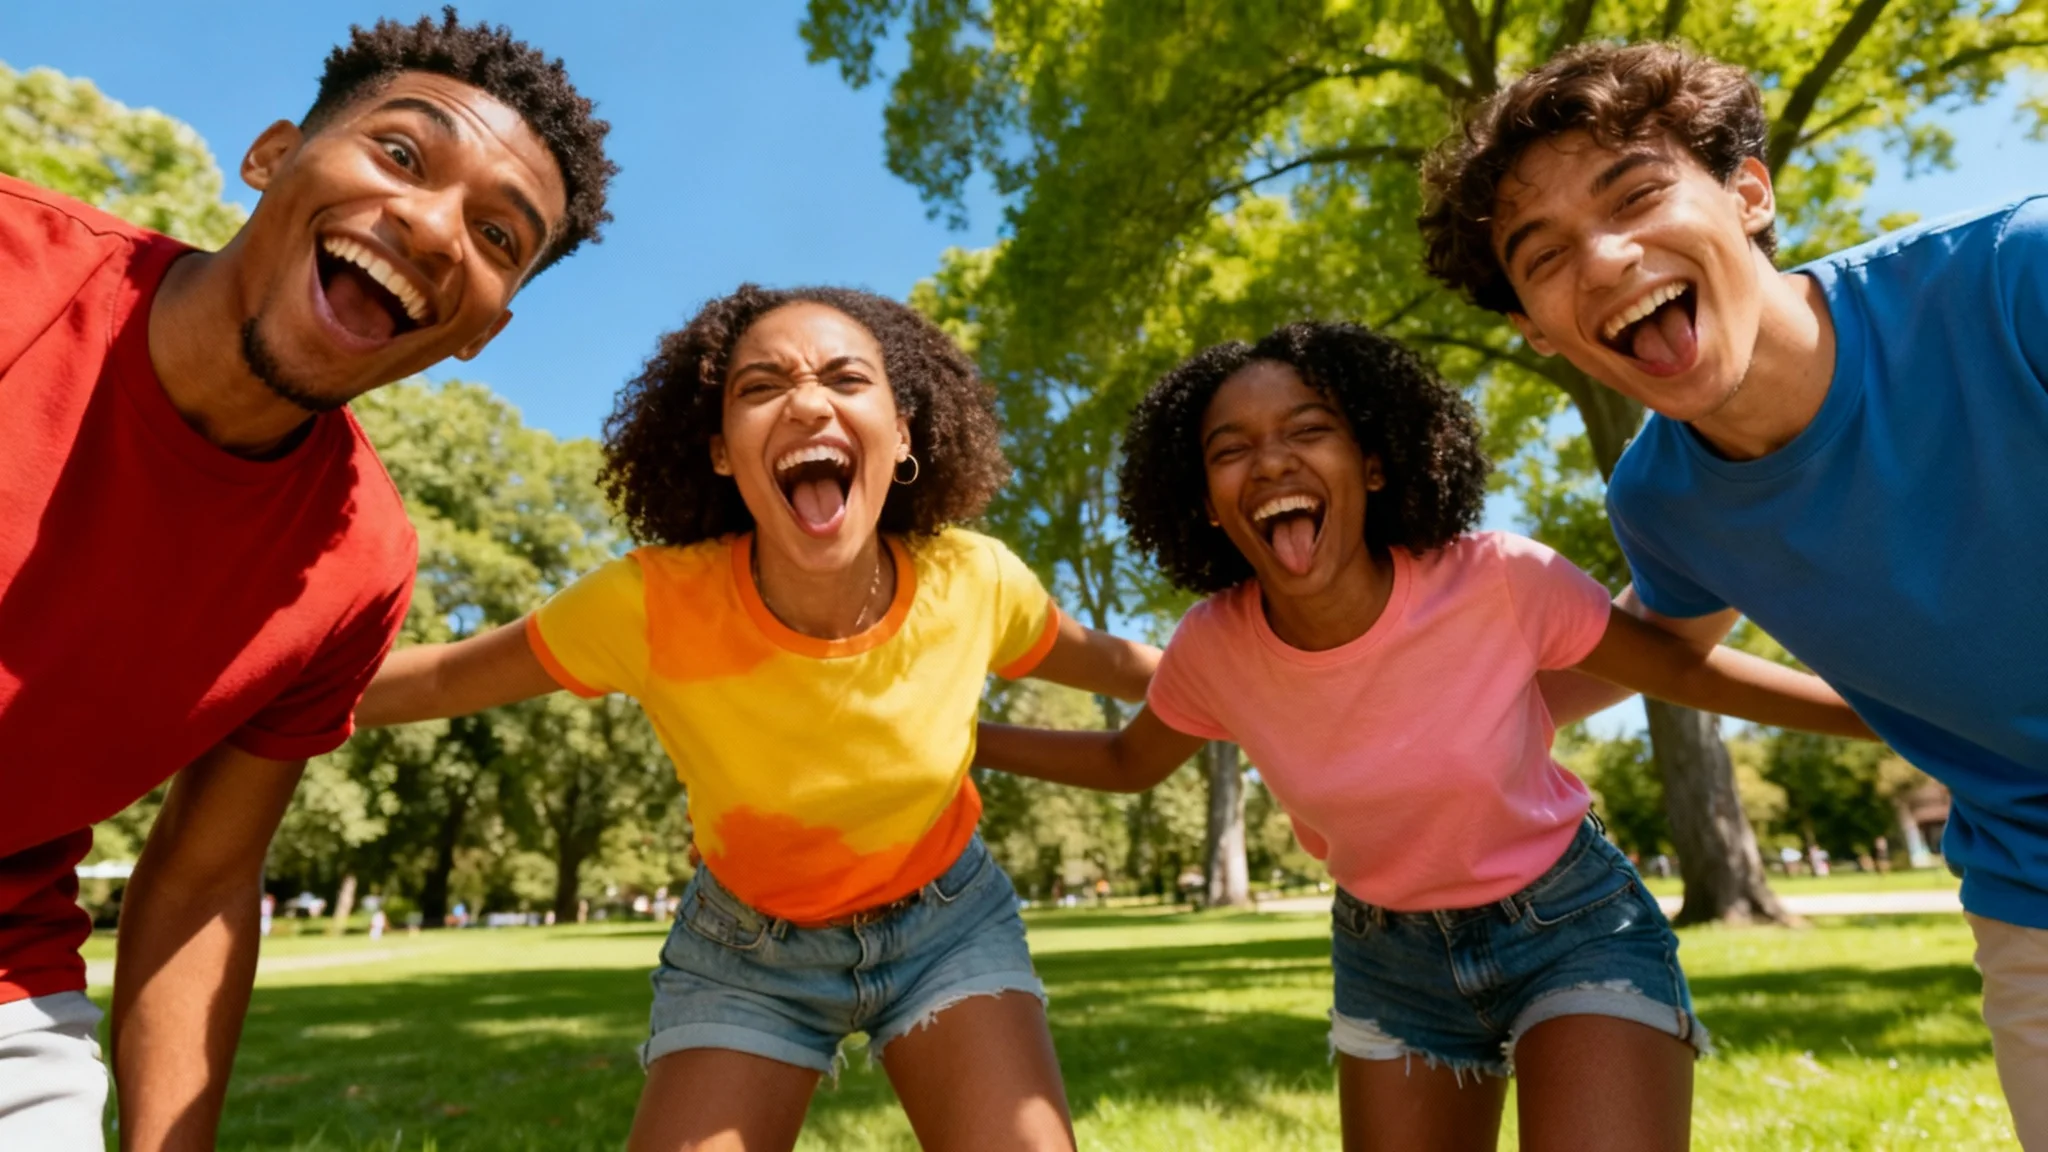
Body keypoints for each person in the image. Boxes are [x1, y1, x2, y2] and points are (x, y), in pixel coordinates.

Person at [975, 321, 1873, 1152]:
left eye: (1307, 430)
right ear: (1206, 504)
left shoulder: (1499, 582)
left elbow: (1681, 670)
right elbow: (1127, 762)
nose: (1271, 461)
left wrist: (1887, 717)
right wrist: (961, 741)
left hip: (1571, 924)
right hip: (1388, 959)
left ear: (1372, 463)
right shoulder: (1216, 646)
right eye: (1231, 449)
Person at [0, 11, 615, 1150]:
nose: (435, 230)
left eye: (497, 236)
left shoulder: (359, 563)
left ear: (484, 329)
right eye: (400, 154)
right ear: (273, 155)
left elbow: (199, 883)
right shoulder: (16, 264)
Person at [1415, 40, 2048, 1145]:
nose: (1605, 258)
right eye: (1543, 255)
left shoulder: (2013, 281)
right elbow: (1655, 644)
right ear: (1531, 326)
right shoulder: (1660, 502)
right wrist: (1406, 708)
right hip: (2030, 893)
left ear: (1747, 191)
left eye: (1637, 194)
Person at [357, 285, 1158, 1152]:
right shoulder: (647, 605)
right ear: (722, 455)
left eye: (846, 378)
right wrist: (231, 693)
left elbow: (1150, 674)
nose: (808, 400)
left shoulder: (977, 580)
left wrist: (1275, 657)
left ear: (904, 435)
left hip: (949, 925)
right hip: (745, 954)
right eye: (760, 386)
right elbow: (436, 682)